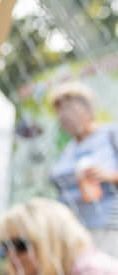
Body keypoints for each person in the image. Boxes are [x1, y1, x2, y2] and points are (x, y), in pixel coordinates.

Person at [49, 80, 118, 257]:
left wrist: (109, 176)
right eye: (59, 111)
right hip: (72, 231)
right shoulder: (68, 149)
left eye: (69, 108)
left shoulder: (110, 135)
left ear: (88, 109)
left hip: (107, 228)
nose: (63, 116)